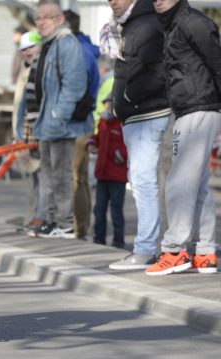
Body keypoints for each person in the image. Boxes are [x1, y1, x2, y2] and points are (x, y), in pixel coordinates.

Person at [145, 0, 221, 276]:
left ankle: (175, 250)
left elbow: (218, 65)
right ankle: (206, 252)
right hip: (191, 108)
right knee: (197, 185)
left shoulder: (193, 23)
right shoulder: (173, 25)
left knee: (179, 182)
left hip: (199, 107)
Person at [101, 0, 172, 270]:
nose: (113, 1)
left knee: (144, 183)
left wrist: (129, 95)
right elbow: (128, 69)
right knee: (141, 181)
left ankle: (145, 249)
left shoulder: (146, 24)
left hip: (148, 115)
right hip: (136, 115)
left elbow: (157, 72)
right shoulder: (128, 25)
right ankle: (151, 248)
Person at [31, 1, 88, 239]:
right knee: (47, 174)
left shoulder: (66, 43)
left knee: (61, 175)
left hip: (60, 124)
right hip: (47, 123)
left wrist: (57, 117)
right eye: (38, 18)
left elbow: (73, 86)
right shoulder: (50, 44)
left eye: (47, 17)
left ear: (59, 19)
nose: (41, 22)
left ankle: (63, 223)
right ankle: (51, 219)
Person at [62, 10, 100, 241]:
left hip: (76, 122)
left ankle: (78, 228)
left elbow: (75, 89)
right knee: (81, 176)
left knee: (76, 177)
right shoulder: (86, 50)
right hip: (84, 120)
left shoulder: (78, 51)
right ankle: (81, 226)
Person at [12, 31, 46, 235]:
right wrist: (16, 132)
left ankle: (40, 219)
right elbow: (19, 104)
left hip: (39, 131)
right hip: (26, 131)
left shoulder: (41, 67)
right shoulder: (26, 69)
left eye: (30, 47)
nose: (27, 52)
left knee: (43, 178)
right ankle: (31, 219)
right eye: (23, 50)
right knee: (33, 179)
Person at [86, 95, 128, 248]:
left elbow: (128, 146)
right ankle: (99, 239)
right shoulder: (102, 122)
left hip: (117, 176)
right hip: (102, 174)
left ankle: (118, 241)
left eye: (110, 103)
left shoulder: (123, 124)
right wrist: (91, 143)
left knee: (116, 210)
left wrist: (120, 155)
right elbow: (97, 138)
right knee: (99, 209)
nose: (107, 106)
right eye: (106, 104)